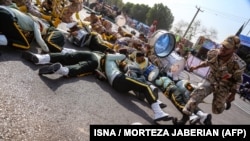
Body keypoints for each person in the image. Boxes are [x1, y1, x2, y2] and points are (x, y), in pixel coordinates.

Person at [182, 35, 246, 116]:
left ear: (234, 49)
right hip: (211, 79)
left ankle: (225, 104)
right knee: (198, 93)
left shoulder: (239, 65)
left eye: (227, 47)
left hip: (224, 86)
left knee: (217, 110)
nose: (223, 48)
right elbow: (207, 62)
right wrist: (195, 67)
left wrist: (233, 94)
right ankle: (187, 112)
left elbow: (238, 80)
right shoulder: (213, 53)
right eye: (223, 45)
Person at [100, 52, 172, 122]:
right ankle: (158, 112)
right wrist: (117, 54)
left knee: (138, 85)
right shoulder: (108, 56)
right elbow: (122, 56)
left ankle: (153, 100)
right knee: (145, 87)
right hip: (119, 79)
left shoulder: (106, 66)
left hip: (116, 85)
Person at [0, 5, 65, 53]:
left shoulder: (30, 18)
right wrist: (47, 50)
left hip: (3, 9)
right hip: (6, 15)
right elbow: (39, 39)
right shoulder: (38, 24)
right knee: (24, 44)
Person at [21, 49, 106, 77]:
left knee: (67, 56)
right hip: (96, 64)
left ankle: (40, 58)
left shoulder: (102, 53)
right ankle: (61, 70)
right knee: (80, 67)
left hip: (91, 53)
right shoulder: (113, 63)